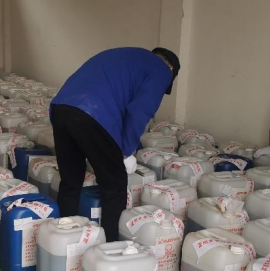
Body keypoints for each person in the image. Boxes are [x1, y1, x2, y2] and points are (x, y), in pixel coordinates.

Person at [50, 47, 179, 241]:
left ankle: (64, 238)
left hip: (61, 108)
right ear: (171, 69)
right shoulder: (161, 70)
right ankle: (109, 246)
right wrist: (126, 151)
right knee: (115, 186)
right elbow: (140, 112)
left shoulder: (128, 57)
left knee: (71, 180)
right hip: (94, 114)